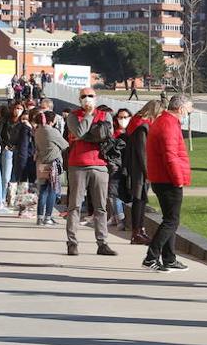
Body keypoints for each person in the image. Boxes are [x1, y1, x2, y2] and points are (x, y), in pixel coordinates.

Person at [64, 87, 116, 256]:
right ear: (79, 99)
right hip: (78, 165)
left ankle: (102, 243)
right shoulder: (73, 116)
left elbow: (107, 135)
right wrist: (89, 116)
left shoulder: (105, 115)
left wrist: (86, 135)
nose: (87, 98)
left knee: (101, 207)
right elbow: (78, 131)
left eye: (90, 96)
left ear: (96, 97)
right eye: (84, 96)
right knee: (75, 206)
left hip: (99, 165)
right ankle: (72, 242)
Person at [143, 94, 193, 272]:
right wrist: (178, 179)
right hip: (167, 179)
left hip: (162, 178)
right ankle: (151, 256)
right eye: (189, 109)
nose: (190, 112)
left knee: (171, 219)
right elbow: (170, 156)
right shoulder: (168, 125)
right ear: (180, 109)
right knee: (171, 220)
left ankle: (169, 258)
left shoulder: (165, 122)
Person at [126, 100, 160, 245]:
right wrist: (148, 172)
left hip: (137, 167)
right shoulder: (142, 127)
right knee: (139, 200)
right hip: (139, 169)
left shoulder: (137, 123)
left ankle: (140, 230)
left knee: (140, 200)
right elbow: (143, 152)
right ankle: (137, 232)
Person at [32, 109, 68, 225]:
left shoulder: (38, 131)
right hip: (54, 163)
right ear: (51, 121)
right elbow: (65, 145)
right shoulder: (52, 131)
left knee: (43, 190)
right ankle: (48, 216)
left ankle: (39, 216)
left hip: (42, 162)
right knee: (52, 190)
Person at [105, 107, 133, 231]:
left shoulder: (132, 133)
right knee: (113, 193)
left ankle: (117, 217)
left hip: (128, 167)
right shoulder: (113, 133)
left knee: (122, 192)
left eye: (125, 117)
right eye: (120, 117)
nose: (123, 119)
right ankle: (118, 218)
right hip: (115, 166)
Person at [0, 101, 25, 207]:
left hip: (19, 151)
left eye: (20, 109)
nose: (17, 110)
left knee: (16, 176)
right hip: (7, 150)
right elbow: (0, 134)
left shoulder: (23, 122)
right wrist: (4, 145)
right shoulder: (6, 121)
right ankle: (1, 198)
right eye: (16, 108)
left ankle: (12, 199)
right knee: (5, 176)